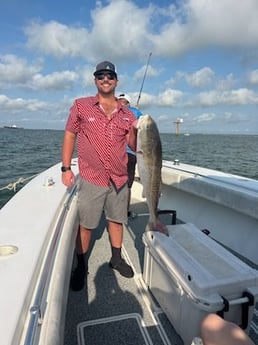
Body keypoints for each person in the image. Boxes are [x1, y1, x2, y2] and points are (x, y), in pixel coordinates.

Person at [61, 61, 138, 291]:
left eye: (110, 75)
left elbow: (133, 145)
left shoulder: (126, 113)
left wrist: (134, 129)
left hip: (119, 178)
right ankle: (81, 266)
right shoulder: (81, 106)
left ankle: (116, 258)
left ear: (116, 80)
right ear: (95, 80)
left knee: (116, 220)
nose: (106, 79)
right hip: (92, 177)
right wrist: (66, 168)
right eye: (101, 75)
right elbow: (69, 135)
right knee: (86, 225)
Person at [117, 93, 142, 216]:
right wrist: (136, 111)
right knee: (127, 184)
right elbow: (142, 125)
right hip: (131, 153)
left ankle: (111, 209)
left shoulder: (113, 111)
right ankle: (124, 212)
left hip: (117, 153)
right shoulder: (136, 112)